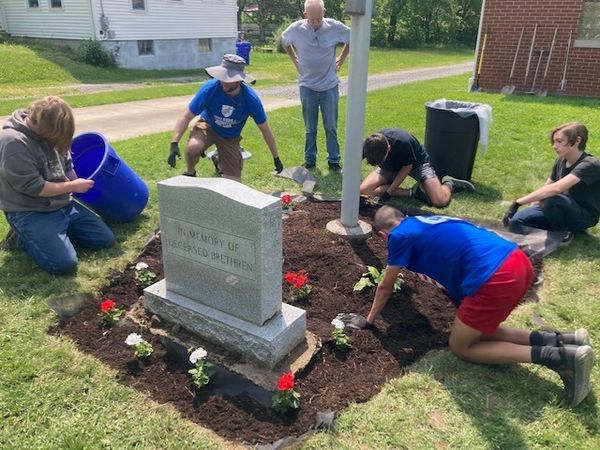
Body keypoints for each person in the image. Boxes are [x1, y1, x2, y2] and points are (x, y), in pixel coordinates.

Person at [338, 206, 595, 408]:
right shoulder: (431, 221)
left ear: (383, 234)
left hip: (495, 277)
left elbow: (385, 285)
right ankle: (562, 340)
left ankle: (561, 359)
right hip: (517, 261)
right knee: (481, 331)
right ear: (403, 215)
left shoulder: (399, 236)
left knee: (461, 347)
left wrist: (369, 321)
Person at [0, 96, 115, 274]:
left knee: (104, 240)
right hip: (30, 210)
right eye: (56, 137)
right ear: (43, 128)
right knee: (65, 266)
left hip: (62, 203)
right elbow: (35, 187)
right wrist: (72, 186)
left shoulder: (53, 132)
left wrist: (76, 182)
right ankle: (22, 237)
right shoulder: (13, 142)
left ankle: (51, 235)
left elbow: (66, 164)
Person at [168, 54, 284, 181]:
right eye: (222, 77)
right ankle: (190, 172)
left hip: (230, 136)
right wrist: (174, 143)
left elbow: (265, 129)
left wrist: (276, 158)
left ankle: (219, 159)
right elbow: (186, 116)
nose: (223, 82)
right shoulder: (210, 89)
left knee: (233, 182)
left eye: (228, 79)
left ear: (239, 81)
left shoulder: (250, 99)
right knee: (193, 147)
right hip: (208, 125)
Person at [281, 0, 350, 172]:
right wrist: (295, 60)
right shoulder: (296, 28)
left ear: (324, 12)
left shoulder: (334, 27)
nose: (316, 22)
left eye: (319, 18)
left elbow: (353, 38)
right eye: (312, 19)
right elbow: (284, 41)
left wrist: (341, 59)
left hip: (329, 87)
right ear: (306, 15)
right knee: (310, 128)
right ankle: (309, 160)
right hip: (307, 87)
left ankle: (334, 161)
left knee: (331, 127)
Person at [503, 122, 600, 236]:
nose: (554, 146)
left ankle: (562, 233)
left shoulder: (590, 164)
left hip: (583, 215)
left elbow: (556, 188)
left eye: (559, 141)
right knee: (517, 221)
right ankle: (563, 228)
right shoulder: (561, 160)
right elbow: (548, 186)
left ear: (577, 141)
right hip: (557, 205)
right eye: (554, 142)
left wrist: (517, 203)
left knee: (550, 199)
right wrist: (532, 208)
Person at [360, 128, 475, 206]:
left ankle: (449, 184)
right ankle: (415, 192)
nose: (379, 164)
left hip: (417, 164)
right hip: (391, 167)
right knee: (364, 191)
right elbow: (353, 163)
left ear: (389, 148)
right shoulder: (370, 145)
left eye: (381, 161)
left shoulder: (403, 142)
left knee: (439, 200)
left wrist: (389, 192)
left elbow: (406, 169)